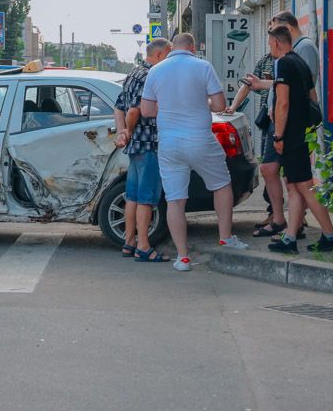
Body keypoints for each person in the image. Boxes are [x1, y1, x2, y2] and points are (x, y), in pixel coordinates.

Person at [141, 33, 248, 272]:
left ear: (172, 48)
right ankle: (225, 237)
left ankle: (183, 257)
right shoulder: (202, 66)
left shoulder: (156, 71)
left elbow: (147, 110)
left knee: (175, 200)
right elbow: (220, 106)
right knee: (221, 184)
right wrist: (203, 103)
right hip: (200, 139)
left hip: (169, 143)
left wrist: (170, 105)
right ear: (191, 47)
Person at [262, 25, 333, 254]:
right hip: (302, 133)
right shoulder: (301, 63)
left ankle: (330, 235)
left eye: (270, 44)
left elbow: (282, 102)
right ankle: (290, 238)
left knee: (305, 186)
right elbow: (313, 99)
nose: (270, 49)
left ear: (277, 42)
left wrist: (278, 134)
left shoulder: (283, 63)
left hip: (290, 135)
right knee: (294, 185)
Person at [224, 25, 288, 237]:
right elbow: (248, 83)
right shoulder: (267, 59)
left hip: (283, 123)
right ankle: (274, 215)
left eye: (271, 39)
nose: (269, 44)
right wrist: (233, 107)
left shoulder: (290, 60)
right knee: (269, 169)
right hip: (269, 122)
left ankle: (291, 218)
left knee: (284, 173)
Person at [113, 38, 171, 260]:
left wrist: (123, 133)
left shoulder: (133, 73)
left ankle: (129, 242)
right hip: (149, 144)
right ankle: (144, 247)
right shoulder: (150, 76)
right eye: (168, 56)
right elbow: (134, 112)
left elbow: (119, 107)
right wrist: (128, 129)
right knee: (147, 198)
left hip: (135, 147)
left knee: (133, 197)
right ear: (159, 55)